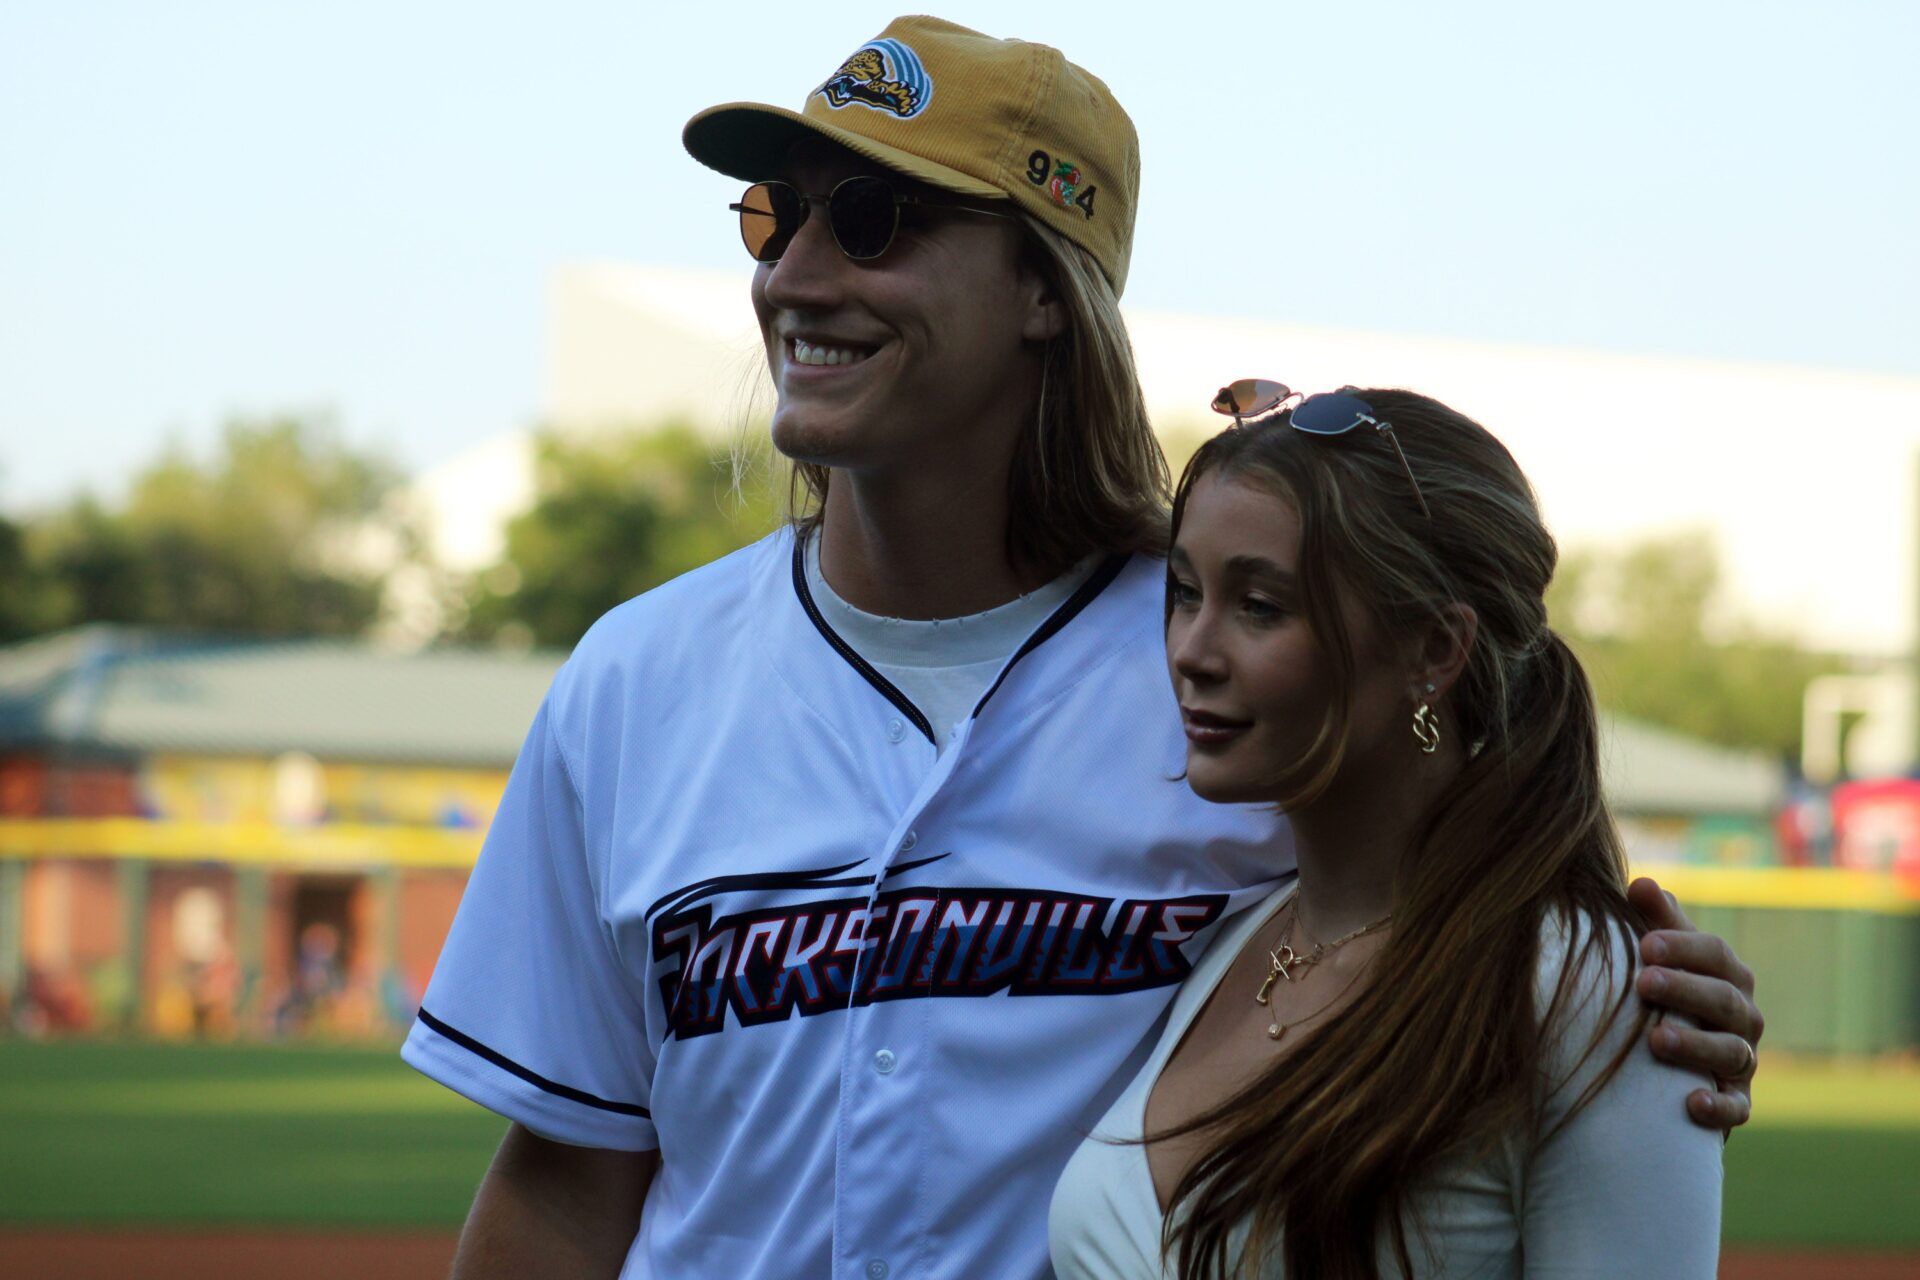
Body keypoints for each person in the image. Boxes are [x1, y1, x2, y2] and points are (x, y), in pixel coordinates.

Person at [402, 18, 1762, 1279]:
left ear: (1045, 290)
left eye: (875, 221)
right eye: (776, 215)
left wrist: (1634, 1006)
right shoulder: (635, 682)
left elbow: (1474, 901)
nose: (794, 274)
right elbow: (568, 1175)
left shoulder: (1235, 687)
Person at [1049, 386, 1724, 1278]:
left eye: (1259, 605)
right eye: (1185, 593)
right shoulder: (1228, 941)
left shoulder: (1580, 990)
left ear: (1435, 651)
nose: (1191, 649)